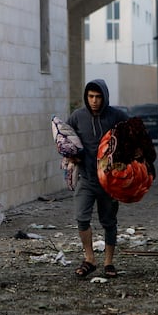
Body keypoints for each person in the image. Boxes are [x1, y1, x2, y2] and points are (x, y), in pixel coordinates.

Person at [67, 79, 129, 279]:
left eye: (98, 96)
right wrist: (70, 156)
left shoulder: (117, 116)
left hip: (109, 181)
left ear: (105, 97)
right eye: (90, 96)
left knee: (109, 222)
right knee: (81, 218)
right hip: (86, 178)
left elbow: (132, 138)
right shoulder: (77, 117)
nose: (94, 101)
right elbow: (66, 142)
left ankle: (109, 262)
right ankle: (89, 259)